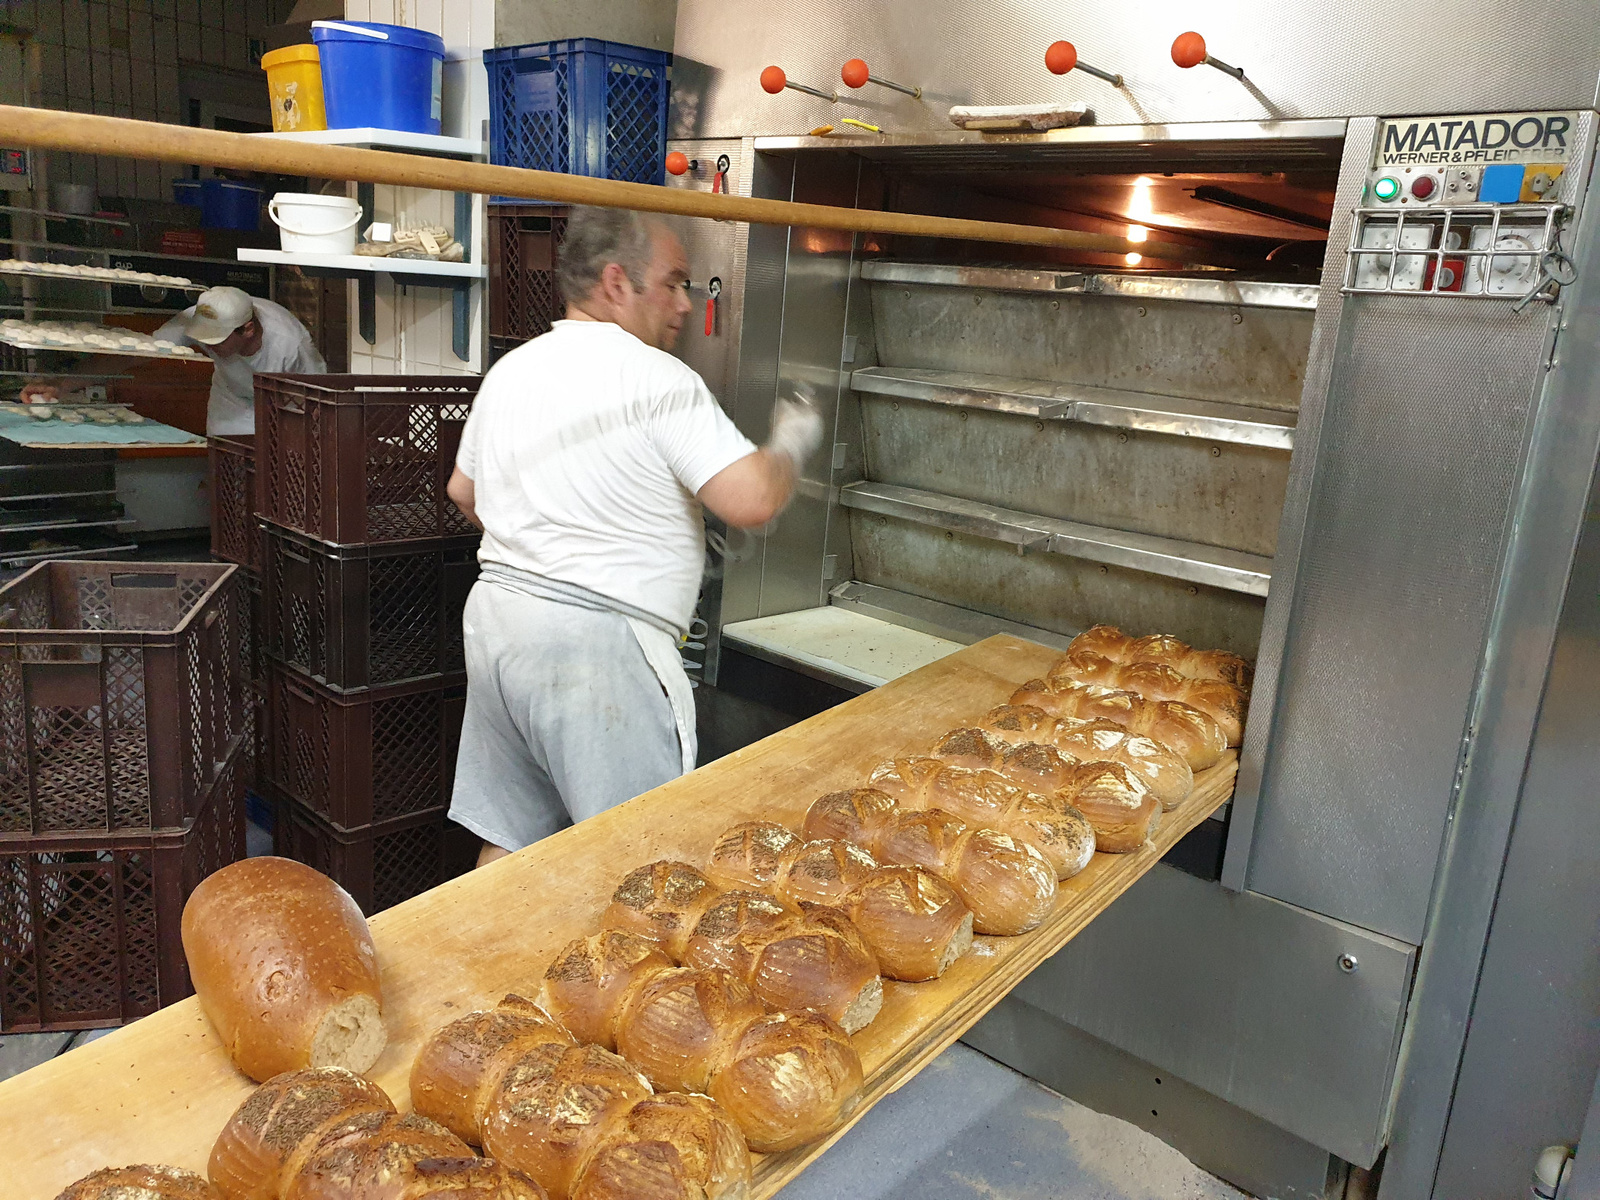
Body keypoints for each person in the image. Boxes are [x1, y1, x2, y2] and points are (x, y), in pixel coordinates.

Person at [445, 205, 823, 867]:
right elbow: (752, 499)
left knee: (511, 842)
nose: (683, 304)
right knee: (642, 863)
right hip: (598, 648)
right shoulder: (658, 379)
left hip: (500, 625)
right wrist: (793, 440)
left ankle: (485, 971)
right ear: (617, 282)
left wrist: (548, 544)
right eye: (674, 283)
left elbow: (464, 493)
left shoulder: (513, 371)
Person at [21, 285, 325, 435]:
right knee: (230, 471)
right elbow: (136, 355)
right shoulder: (195, 321)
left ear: (247, 330)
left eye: (215, 341)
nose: (205, 345)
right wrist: (60, 386)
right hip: (232, 397)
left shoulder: (290, 345)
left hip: (287, 401)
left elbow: (318, 400)